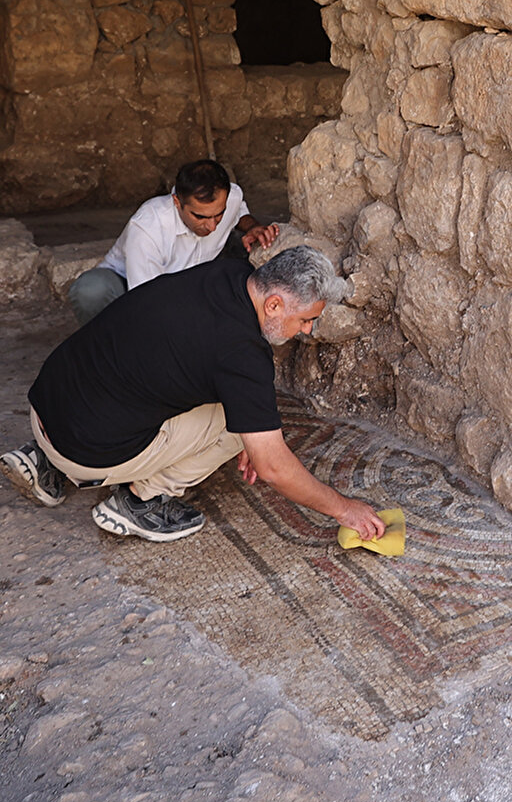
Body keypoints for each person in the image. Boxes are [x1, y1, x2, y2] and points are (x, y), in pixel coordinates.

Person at [1, 246, 385, 545]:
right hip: (82, 450)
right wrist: (344, 509)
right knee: (239, 429)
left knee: (224, 405)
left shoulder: (229, 273)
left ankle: (46, 463)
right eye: (305, 319)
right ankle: (140, 502)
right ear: (274, 304)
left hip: (47, 406)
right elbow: (272, 467)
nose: (307, 330)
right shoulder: (243, 355)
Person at [68, 159, 279, 326]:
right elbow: (148, 302)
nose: (212, 226)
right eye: (200, 217)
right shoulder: (147, 227)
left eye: (219, 215)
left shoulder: (230, 197)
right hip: (130, 288)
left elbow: (238, 210)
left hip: (189, 281)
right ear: (177, 201)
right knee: (92, 291)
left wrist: (252, 227)